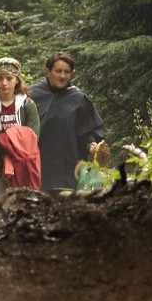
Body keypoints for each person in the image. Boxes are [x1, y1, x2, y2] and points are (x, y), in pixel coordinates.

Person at [30, 51, 105, 197]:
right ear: (48, 71)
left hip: (69, 169)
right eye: (58, 71)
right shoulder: (33, 95)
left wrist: (92, 146)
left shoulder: (78, 98)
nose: (62, 76)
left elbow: (87, 130)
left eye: (67, 72)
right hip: (39, 167)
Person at [0, 57, 41, 209]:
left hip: (21, 171)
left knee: (20, 215)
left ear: (17, 80)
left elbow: (32, 141)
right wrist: (16, 139)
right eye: (0, 78)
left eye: (9, 78)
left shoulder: (27, 105)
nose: (4, 83)